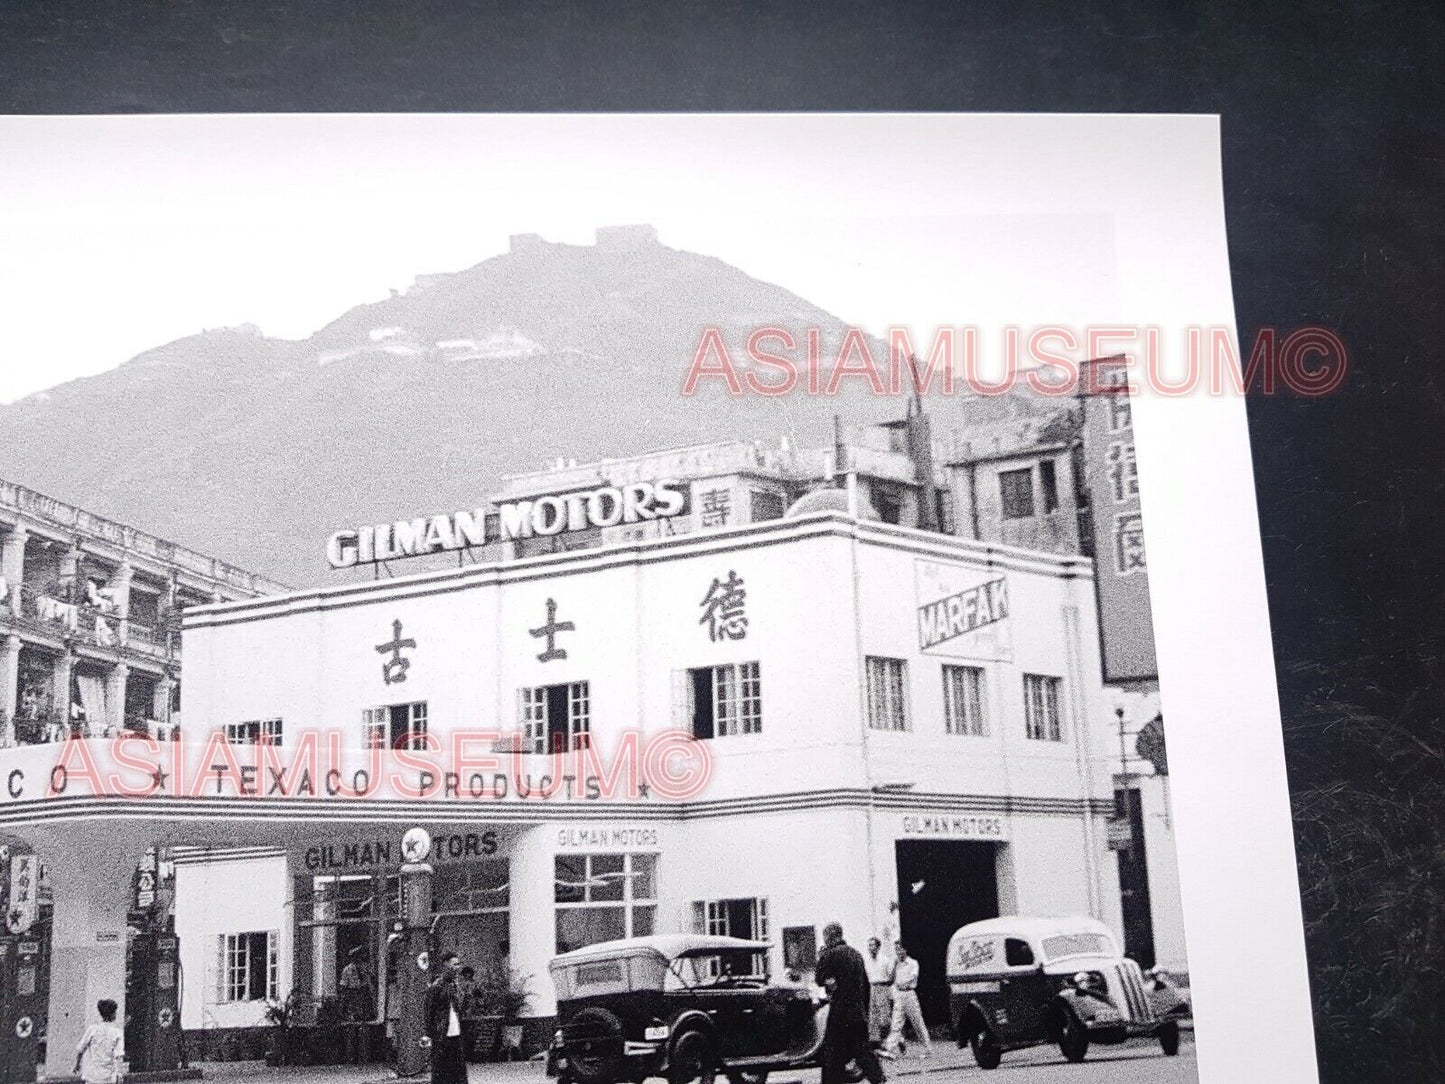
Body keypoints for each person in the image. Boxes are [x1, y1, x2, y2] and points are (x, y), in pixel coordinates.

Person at [814, 923, 886, 1084]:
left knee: (833, 1055)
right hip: (857, 1012)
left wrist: (821, 959)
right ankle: (878, 1078)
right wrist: (864, 1011)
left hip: (839, 1013)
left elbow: (818, 979)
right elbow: (866, 986)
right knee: (862, 1050)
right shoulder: (857, 955)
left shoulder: (830, 955)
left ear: (829, 936)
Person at [423, 953, 468, 1084]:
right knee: (441, 1067)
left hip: (455, 1030)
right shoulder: (437, 986)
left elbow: (459, 1007)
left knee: (458, 1066)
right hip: (442, 1032)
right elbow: (429, 1011)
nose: (457, 967)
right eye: (454, 964)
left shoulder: (455, 985)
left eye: (458, 964)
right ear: (446, 965)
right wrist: (430, 1032)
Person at [883, 943, 931, 1058]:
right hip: (899, 995)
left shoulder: (913, 963)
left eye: (900, 949)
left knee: (917, 1023)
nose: (899, 952)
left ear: (905, 950)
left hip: (909, 994)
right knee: (896, 1023)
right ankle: (890, 1048)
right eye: (896, 950)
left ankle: (928, 1049)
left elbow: (914, 977)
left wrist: (905, 985)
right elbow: (890, 979)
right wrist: (894, 966)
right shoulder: (896, 964)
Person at [74, 999, 124, 1084]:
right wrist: (119, 1074)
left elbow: (80, 1050)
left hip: (92, 1075)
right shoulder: (117, 1033)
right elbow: (118, 1056)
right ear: (113, 1014)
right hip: (107, 1076)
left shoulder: (92, 1030)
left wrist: (77, 1065)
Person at [339, 946, 372, 1064]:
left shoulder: (365, 969)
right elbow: (344, 987)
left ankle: (364, 1057)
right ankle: (350, 1058)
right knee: (351, 1028)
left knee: (364, 1028)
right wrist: (345, 1003)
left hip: (361, 997)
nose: (358, 960)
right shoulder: (347, 970)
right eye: (356, 958)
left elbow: (368, 985)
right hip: (352, 997)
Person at [863, 937, 895, 1048]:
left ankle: (895, 1038)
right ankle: (877, 1043)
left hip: (883, 987)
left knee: (884, 1018)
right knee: (873, 1017)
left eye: (873, 945)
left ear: (878, 947)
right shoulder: (866, 961)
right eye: (869, 945)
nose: (871, 948)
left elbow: (891, 978)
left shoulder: (885, 960)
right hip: (872, 988)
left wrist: (885, 989)